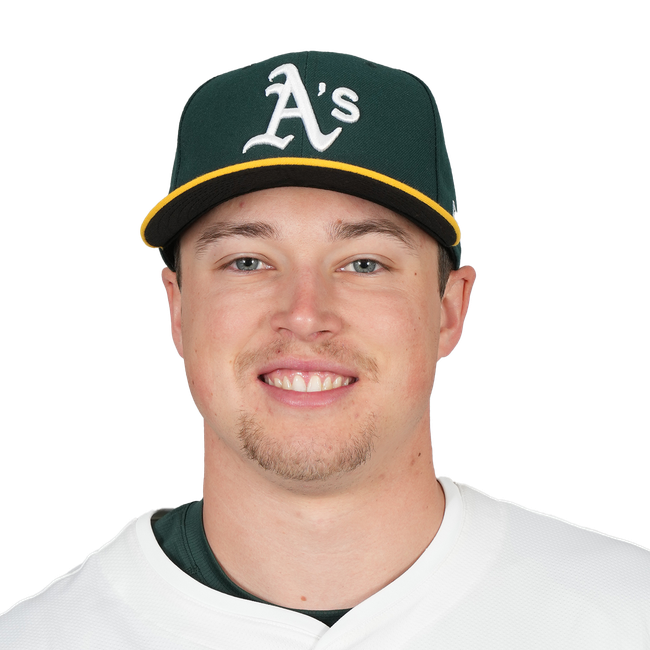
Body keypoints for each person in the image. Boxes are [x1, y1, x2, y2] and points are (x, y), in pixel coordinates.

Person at [2, 50, 648, 649]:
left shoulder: (628, 614)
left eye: (364, 262)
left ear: (450, 309)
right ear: (177, 306)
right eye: (248, 260)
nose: (305, 315)